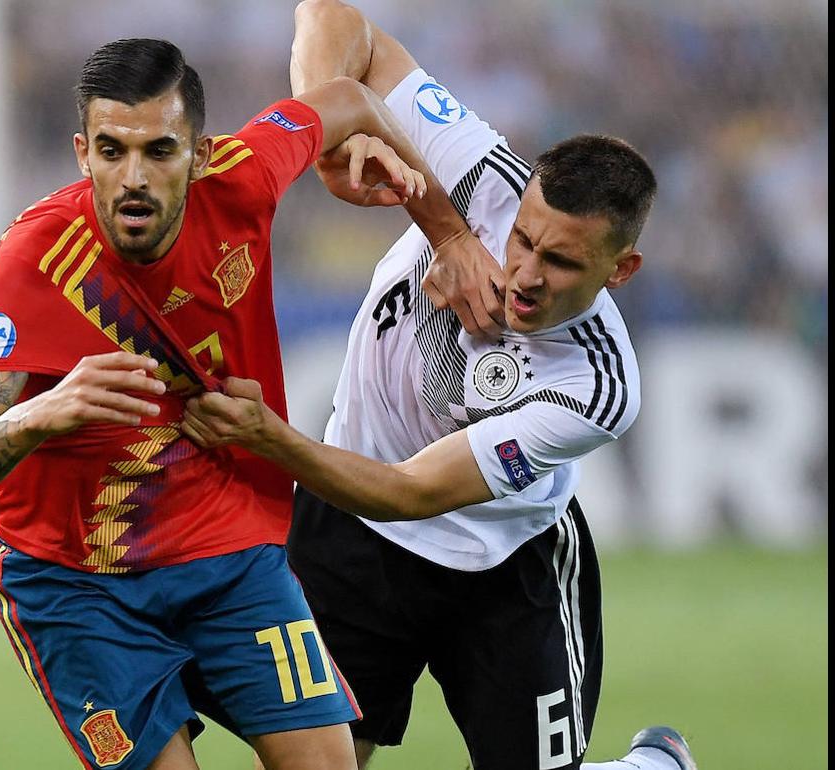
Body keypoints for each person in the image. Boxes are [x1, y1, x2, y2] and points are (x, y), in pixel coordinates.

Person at [0, 37, 497, 770]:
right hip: (75, 584)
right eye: (111, 151)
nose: (133, 177)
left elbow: (353, 98)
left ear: (200, 153)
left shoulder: (246, 174)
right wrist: (40, 411)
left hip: (225, 551)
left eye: (159, 151)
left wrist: (447, 234)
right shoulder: (35, 260)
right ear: (82, 152)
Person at [180, 3, 697, 769]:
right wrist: (340, 132)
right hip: (351, 532)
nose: (525, 272)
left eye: (561, 263)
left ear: (620, 271)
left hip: (499, 563)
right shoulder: (483, 176)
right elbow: (332, 18)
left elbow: (412, 492)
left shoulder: (596, 382)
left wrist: (266, 437)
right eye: (523, 238)